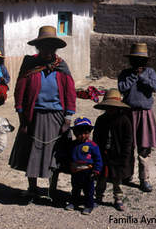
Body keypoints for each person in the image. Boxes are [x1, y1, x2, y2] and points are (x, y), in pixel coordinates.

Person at [8, 25, 76, 199]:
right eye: (44, 46)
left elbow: (70, 93)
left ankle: (52, 189)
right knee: (33, 151)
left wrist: (67, 119)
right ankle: (33, 188)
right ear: (38, 47)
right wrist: (22, 119)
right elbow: (19, 92)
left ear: (55, 48)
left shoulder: (62, 67)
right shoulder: (30, 65)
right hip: (34, 116)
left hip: (57, 116)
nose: (47, 50)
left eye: (51, 47)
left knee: (55, 153)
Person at [118, 43, 156, 192]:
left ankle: (144, 179)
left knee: (144, 148)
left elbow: (154, 87)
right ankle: (126, 174)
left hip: (145, 114)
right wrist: (133, 76)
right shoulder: (125, 73)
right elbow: (122, 88)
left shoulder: (150, 72)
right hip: (128, 113)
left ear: (145, 61)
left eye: (141, 60)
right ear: (131, 61)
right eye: (135, 60)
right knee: (127, 146)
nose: (138, 63)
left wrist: (142, 77)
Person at [93, 89, 133, 211]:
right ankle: (98, 196)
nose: (111, 109)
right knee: (101, 178)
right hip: (103, 154)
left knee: (117, 178)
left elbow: (128, 141)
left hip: (118, 155)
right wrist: (96, 153)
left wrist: (125, 157)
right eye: (108, 107)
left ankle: (118, 198)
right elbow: (96, 137)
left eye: (113, 107)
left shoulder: (125, 121)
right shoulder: (101, 120)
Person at [65, 117, 102, 215]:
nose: (82, 136)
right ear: (75, 133)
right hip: (76, 171)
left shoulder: (93, 146)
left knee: (88, 190)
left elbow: (98, 159)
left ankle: (89, 205)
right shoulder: (72, 145)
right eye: (79, 134)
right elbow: (69, 157)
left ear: (89, 133)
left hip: (88, 172)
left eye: (85, 133)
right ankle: (74, 203)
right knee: (75, 188)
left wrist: (96, 171)